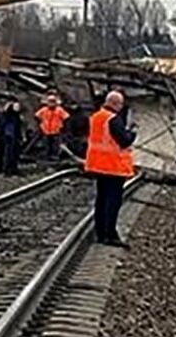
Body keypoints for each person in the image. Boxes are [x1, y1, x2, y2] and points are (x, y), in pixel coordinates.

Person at [81, 90, 135, 247]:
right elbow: (124, 141)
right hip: (113, 166)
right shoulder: (113, 119)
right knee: (113, 201)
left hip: (98, 164)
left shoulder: (96, 117)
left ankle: (100, 233)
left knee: (101, 200)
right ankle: (110, 234)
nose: (121, 107)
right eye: (120, 104)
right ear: (115, 103)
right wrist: (132, 133)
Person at [0, 99, 23, 176]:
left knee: (11, 154)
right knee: (3, 154)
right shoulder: (1, 114)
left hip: (11, 136)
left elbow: (18, 127)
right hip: (3, 136)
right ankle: (3, 169)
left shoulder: (15, 116)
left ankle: (9, 169)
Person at [35, 93, 68, 163]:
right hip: (46, 130)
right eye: (50, 101)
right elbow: (37, 116)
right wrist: (41, 125)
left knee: (55, 145)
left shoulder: (59, 110)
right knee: (47, 144)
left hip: (56, 131)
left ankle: (54, 156)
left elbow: (66, 117)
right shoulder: (44, 110)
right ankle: (47, 156)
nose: (51, 103)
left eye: (53, 101)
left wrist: (61, 126)